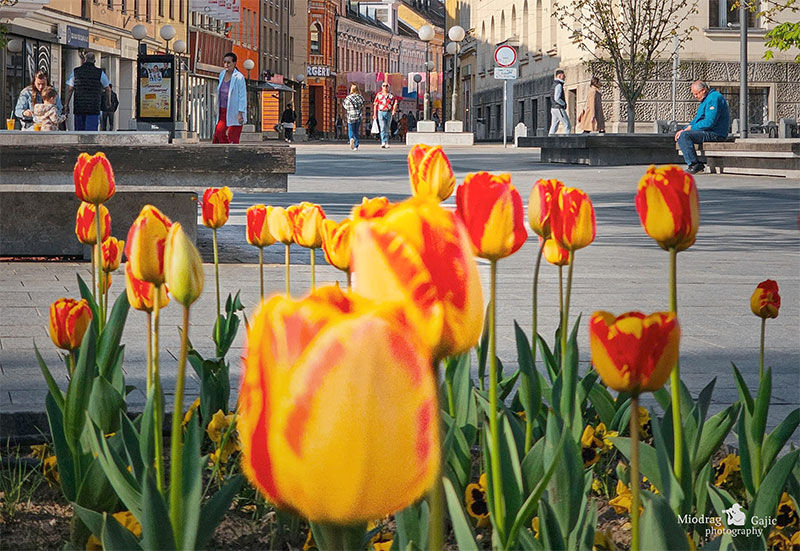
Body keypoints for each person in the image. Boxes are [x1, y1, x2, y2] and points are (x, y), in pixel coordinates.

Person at [675, 80, 730, 174]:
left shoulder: (714, 98)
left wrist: (690, 129)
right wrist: (684, 129)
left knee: (685, 136)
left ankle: (695, 164)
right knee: (683, 134)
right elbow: (697, 119)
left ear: (703, 90)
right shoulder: (706, 100)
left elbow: (709, 122)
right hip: (708, 131)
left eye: (696, 94)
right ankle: (694, 164)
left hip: (716, 133)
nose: (695, 96)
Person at [64, 52, 112, 131]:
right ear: (94, 61)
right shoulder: (100, 73)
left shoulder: (76, 71)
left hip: (79, 107)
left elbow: (70, 89)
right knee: (91, 133)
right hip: (94, 107)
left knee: (79, 133)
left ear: (84, 60)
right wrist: (108, 102)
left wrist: (66, 105)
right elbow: (108, 89)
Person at [213, 52, 247, 144]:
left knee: (232, 136)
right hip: (222, 110)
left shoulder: (239, 77)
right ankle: (222, 153)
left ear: (235, 63)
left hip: (234, 111)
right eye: (224, 62)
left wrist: (241, 112)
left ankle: (230, 153)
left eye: (229, 62)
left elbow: (242, 96)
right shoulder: (222, 74)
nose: (226, 65)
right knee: (218, 134)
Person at [373, 81, 398, 149]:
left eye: (386, 86)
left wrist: (394, 110)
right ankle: (383, 141)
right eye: (384, 86)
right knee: (382, 127)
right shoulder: (379, 95)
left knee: (387, 128)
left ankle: (386, 142)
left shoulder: (391, 95)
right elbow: (375, 104)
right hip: (380, 112)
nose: (385, 87)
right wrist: (374, 114)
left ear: (388, 87)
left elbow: (395, 103)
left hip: (389, 112)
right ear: (381, 87)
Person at [342, 84, 365, 150]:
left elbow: (345, 107)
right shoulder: (360, 97)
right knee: (356, 131)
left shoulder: (348, 98)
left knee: (351, 130)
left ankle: (351, 138)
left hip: (350, 116)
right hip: (358, 116)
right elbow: (362, 106)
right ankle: (356, 145)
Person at [548, 69, 571, 135]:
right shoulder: (558, 85)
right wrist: (563, 103)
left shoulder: (554, 84)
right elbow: (557, 98)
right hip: (558, 108)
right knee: (567, 125)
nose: (564, 77)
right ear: (559, 75)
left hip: (553, 108)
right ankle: (567, 141)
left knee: (554, 126)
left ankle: (549, 141)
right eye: (563, 75)